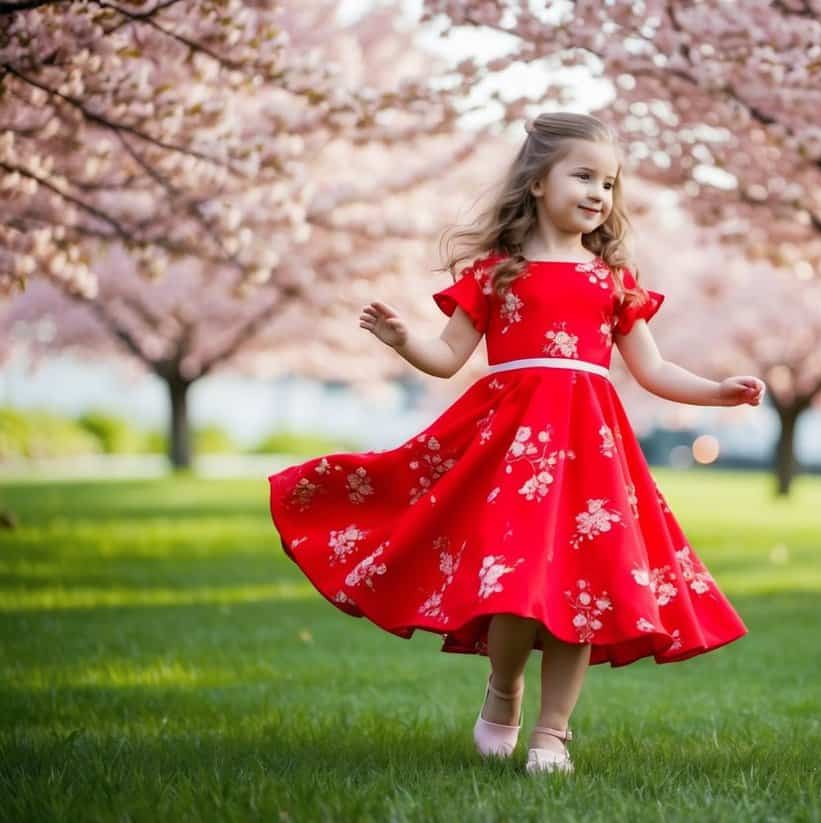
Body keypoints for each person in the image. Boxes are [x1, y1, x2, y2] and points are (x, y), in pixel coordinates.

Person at [266, 111, 765, 775]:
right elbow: (447, 358)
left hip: (590, 454)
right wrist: (401, 340)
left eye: (609, 183)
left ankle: (553, 733)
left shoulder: (612, 280)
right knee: (514, 584)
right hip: (512, 452)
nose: (598, 194)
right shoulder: (496, 273)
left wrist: (718, 391)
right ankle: (504, 689)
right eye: (583, 175)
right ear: (537, 182)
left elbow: (653, 369)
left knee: (583, 591)